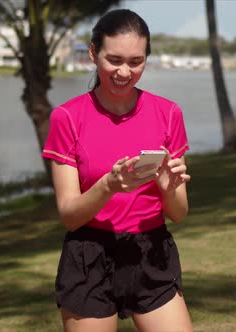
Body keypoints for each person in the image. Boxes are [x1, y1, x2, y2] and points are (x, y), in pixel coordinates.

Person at [41, 9, 193, 332]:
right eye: (114, 59)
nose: (124, 71)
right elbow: (69, 216)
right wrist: (108, 185)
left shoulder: (168, 114)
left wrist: (168, 186)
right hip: (89, 256)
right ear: (94, 53)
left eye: (136, 62)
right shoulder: (67, 118)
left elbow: (179, 214)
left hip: (152, 250)